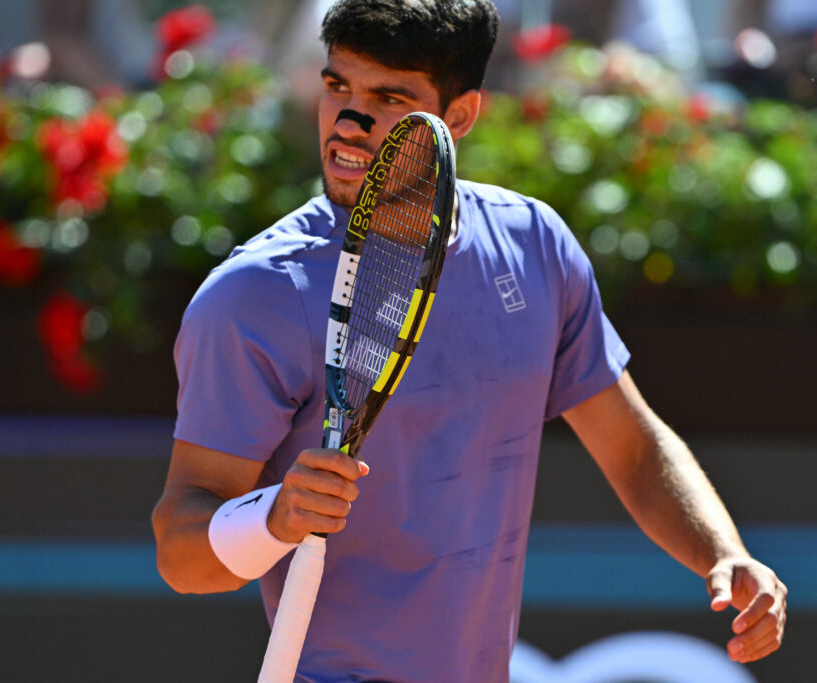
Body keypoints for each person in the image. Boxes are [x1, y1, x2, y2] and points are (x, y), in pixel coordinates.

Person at [151, 1, 788, 680]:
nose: (348, 122)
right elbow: (181, 554)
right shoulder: (252, 296)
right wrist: (272, 518)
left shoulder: (534, 246)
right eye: (337, 85)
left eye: (388, 99)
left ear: (460, 116)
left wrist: (723, 552)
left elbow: (633, 448)